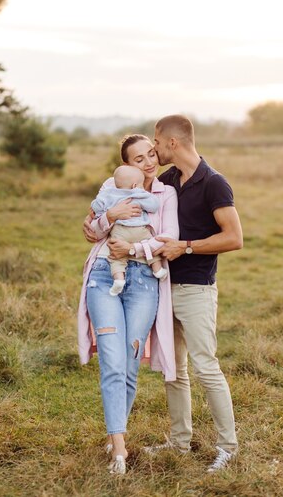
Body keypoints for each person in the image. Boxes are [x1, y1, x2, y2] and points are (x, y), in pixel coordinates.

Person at [142, 114, 243, 473]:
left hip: (197, 289)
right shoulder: (168, 180)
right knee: (174, 369)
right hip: (163, 288)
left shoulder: (214, 183)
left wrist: (184, 247)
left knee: (206, 368)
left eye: (156, 140)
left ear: (173, 143)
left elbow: (233, 238)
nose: (153, 148)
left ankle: (228, 447)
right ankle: (179, 442)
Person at [78, 134, 179, 474]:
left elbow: (169, 239)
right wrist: (112, 216)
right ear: (125, 165)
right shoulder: (112, 186)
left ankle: (115, 430)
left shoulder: (166, 194)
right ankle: (118, 445)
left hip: (144, 283)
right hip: (105, 277)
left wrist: (134, 250)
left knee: (131, 361)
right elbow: (90, 230)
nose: (149, 162)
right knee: (112, 361)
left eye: (151, 154)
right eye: (138, 159)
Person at [91, 164, 168, 296]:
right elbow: (154, 206)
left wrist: (102, 210)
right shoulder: (139, 193)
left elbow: (96, 206)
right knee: (150, 246)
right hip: (140, 230)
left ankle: (119, 279)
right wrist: (145, 196)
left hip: (119, 231)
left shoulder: (109, 193)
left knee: (115, 256)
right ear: (134, 185)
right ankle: (157, 269)